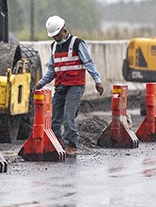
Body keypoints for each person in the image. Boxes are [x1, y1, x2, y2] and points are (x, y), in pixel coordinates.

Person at [34, 15, 104, 156]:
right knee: (54, 117)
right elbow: (52, 70)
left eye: (57, 35)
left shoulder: (77, 43)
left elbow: (88, 63)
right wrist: (41, 83)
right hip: (60, 85)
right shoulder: (54, 47)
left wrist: (97, 80)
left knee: (68, 116)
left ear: (64, 30)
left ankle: (72, 143)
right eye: (53, 36)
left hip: (75, 85)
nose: (56, 38)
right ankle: (56, 141)